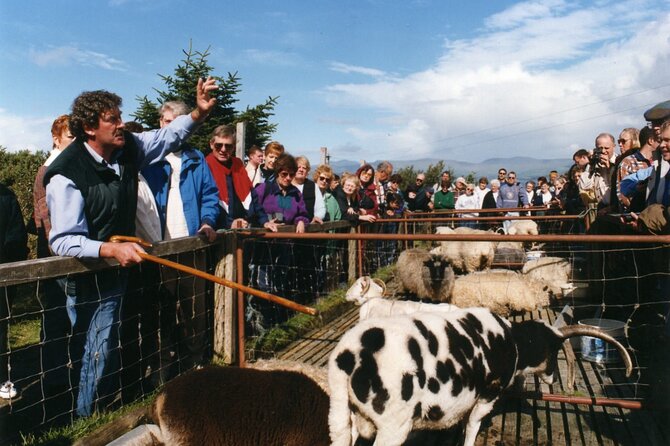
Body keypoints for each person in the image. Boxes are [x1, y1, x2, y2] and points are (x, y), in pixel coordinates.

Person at [43, 77, 218, 417]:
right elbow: (63, 239)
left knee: (113, 343)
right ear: (90, 127)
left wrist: (198, 112)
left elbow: (166, 137)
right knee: (95, 346)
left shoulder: (126, 150)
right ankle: (85, 420)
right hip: (87, 274)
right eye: (113, 119)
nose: (121, 124)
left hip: (120, 269)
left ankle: (102, 413)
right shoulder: (65, 173)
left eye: (120, 116)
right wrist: (110, 250)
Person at [139, 100, 220, 383]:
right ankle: (161, 369)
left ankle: (193, 365)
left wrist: (208, 221)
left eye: (177, 122)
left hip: (190, 246)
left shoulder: (197, 159)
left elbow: (210, 196)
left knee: (193, 309)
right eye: (165, 122)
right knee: (161, 310)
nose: (170, 128)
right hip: (157, 249)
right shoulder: (147, 158)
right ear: (160, 122)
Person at [30, 115, 73, 402]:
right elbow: (44, 216)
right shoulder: (48, 171)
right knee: (57, 317)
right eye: (70, 136)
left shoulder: (70, 167)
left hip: (70, 256)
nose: (75, 143)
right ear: (56, 138)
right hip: (58, 258)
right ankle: (57, 380)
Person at [251, 154, 311, 323]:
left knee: (280, 281)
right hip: (264, 245)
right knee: (261, 283)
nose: (288, 178)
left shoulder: (295, 193)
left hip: (285, 246)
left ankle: (277, 321)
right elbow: (253, 210)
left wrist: (301, 221)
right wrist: (264, 221)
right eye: (284, 174)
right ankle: (261, 323)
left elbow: (303, 213)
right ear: (278, 172)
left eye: (291, 174)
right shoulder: (265, 189)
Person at [205, 125, 274, 231]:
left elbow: (252, 196)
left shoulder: (238, 165)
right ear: (211, 144)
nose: (223, 150)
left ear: (233, 147)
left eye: (228, 146)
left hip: (244, 226)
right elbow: (206, 202)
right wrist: (229, 223)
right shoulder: (205, 165)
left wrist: (264, 221)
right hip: (218, 229)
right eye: (219, 145)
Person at [0, 183, 28, 400]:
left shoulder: (6, 197)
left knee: (0, 329)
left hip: (2, 278)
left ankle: (1, 378)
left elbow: (17, 238)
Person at [293, 156, 325, 223]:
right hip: (287, 228)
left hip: (309, 226)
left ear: (307, 171)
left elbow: (320, 207)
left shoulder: (313, 186)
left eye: (304, 168)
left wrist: (318, 217)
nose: (301, 170)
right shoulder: (287, 185)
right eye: (298, 167)